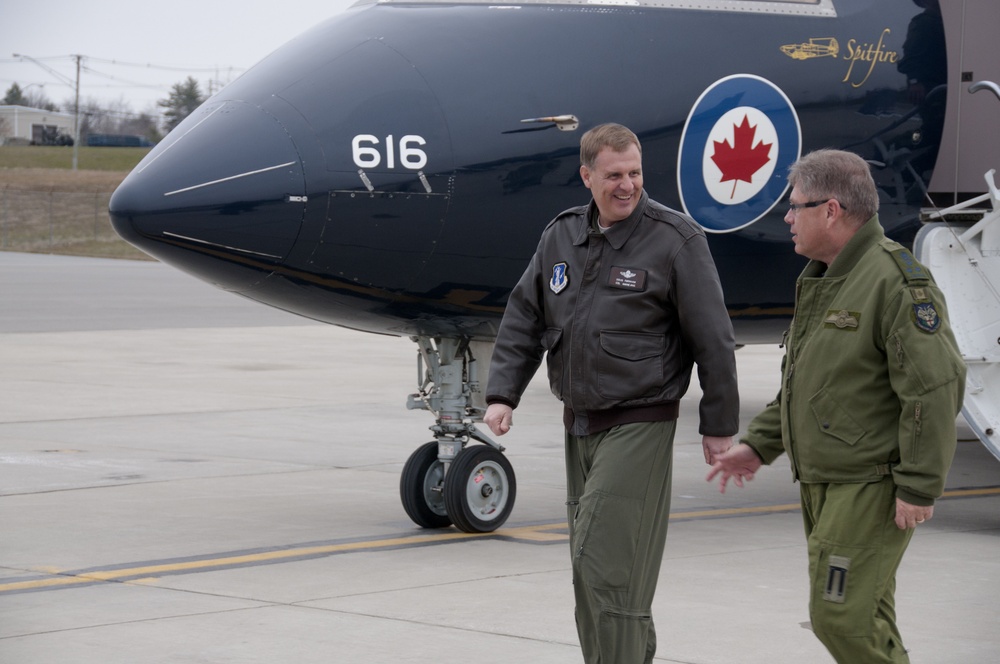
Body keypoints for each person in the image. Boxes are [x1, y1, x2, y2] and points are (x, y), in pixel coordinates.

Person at [484, 123, 740, 663]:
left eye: (635, 174)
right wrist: (503, 393)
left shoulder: (676, 240)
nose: (627, 186)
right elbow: (525, 315)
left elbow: (713, 339)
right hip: (580, 425)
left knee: (609, 568)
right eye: (614, 175)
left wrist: (718, 425)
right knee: (589, 575)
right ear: (587, 176)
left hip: (639, 422)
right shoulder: (561, 235)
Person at [708, 149, 966, 663]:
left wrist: (919, 484)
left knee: (839, 617)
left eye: (795, 205)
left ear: (830, 210)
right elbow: (810, 379)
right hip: (826, 481)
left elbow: (935, 385)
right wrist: (760, 444)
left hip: (868, 483)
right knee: (866, 615)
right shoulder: (825, 278)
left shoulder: (894, 280)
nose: (786, 217)